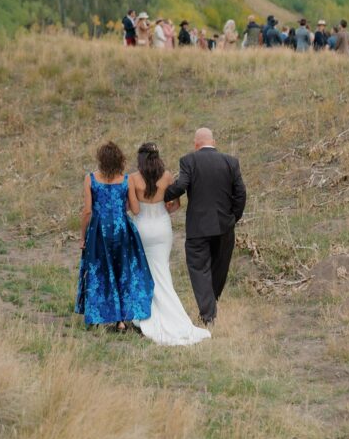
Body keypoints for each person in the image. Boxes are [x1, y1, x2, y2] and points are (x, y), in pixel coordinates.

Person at [128, 143, 210, 346]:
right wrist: (162, 209)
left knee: (145, 272)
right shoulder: (167, 176)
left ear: (141, 159)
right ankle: (174, 316)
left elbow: (135, 210)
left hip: (143, 228)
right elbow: (175, 205)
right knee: (162, 271)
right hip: (162, 228)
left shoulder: (133, 178)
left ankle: (144, 315)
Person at [164, 128, 247, 327]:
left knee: (199, 268)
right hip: (224, 225)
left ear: (196, 144)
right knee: (220, 267)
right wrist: (233, 216)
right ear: (214, 141)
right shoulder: (230, 162)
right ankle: (210, 307)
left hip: (198, 227)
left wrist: (161, 195)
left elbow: (182, 185)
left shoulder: (188, 161)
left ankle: (208, 314)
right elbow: (241, 193)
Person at [75, 141, 153, 331]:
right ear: (120, 160)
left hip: (99, 231)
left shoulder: (90, 179)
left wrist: (82, 236)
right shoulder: (126, 180)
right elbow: (135, 209)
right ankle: (121, 320)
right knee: (122, 271)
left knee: (99, 270)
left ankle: (96, 316)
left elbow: (87, 212)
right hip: (121, 230)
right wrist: (120, 206)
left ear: (101, 160)